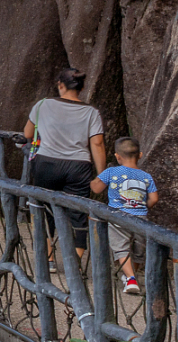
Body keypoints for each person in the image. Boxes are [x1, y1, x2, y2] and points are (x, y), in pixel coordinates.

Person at [22, 67, 107, 259]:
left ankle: (49, 258)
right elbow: (97, 143)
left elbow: (28, 134)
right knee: (78, 212)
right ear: (81, 87)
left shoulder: (42, 105)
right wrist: (101, 176)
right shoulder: (91, 112)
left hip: (47, 163)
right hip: (79, 166)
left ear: (60, 85)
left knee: (44, 208)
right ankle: (74, 262)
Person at [91, 137, 159, 295]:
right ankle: (130, 276)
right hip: (140, 218)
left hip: (118, 216)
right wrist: (142, 207)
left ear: (117, 156)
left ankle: (131, 279)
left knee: (121, 247)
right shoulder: (146, 176)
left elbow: (96, 188)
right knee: (138, 250)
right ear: (140, 155)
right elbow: (154, 198)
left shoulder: (112, 172)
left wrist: (95, 180)